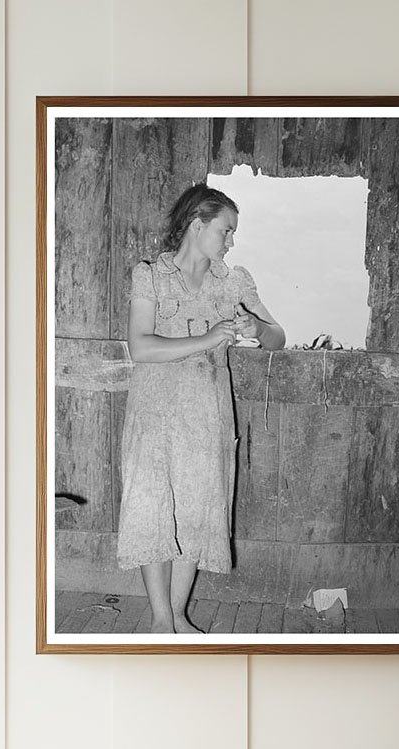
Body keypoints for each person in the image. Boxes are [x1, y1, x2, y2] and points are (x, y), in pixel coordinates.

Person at [117, 183, 286, 633]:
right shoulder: (150, 276)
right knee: (152, 508)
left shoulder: (234, 281)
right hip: (153, 414)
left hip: (207, 415)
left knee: (195, 509)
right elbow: (141, 347)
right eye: (225, 230)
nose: (231, 241)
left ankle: (177, 615)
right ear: (197, 224)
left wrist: (257, 327)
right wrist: (208, 338)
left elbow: (278, 337)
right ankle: (160, 621)